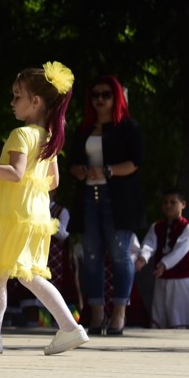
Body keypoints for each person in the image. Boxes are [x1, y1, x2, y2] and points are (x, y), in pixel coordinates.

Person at [0, 62, 89, 356]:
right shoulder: (49, 137)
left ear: (35, 101)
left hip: (13, 214)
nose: (12, 102)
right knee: (11, 273)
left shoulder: (21, 134)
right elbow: (53, 181)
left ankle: (66, 327)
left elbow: (15, 173)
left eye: (17, 96)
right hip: (35, 214)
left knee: (18, 274)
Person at [66, 75, 145, 336]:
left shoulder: (128, 127)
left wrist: (108, 171)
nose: (100, 99)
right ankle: (97, 314)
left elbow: (135, 162)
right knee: (91, 256)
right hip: (88, 196)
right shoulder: (84, 129)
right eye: (95, 95)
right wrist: (80, 170)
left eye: (106, 94)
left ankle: (119, 313)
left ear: (116, 97)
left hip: (119, 199)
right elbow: (72, 163)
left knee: (120, 254)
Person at [136, 189, 189, 329]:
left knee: (179, 320)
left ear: (183, 204)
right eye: (165, 202)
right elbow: (149, 244)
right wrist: (143, 258)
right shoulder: (157, 226)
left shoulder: (188, 228)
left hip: (182, 280)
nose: (168, 205)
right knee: (158, 317)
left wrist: (164, 264)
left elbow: (180, 251)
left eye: (173, 202)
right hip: (162, 278)